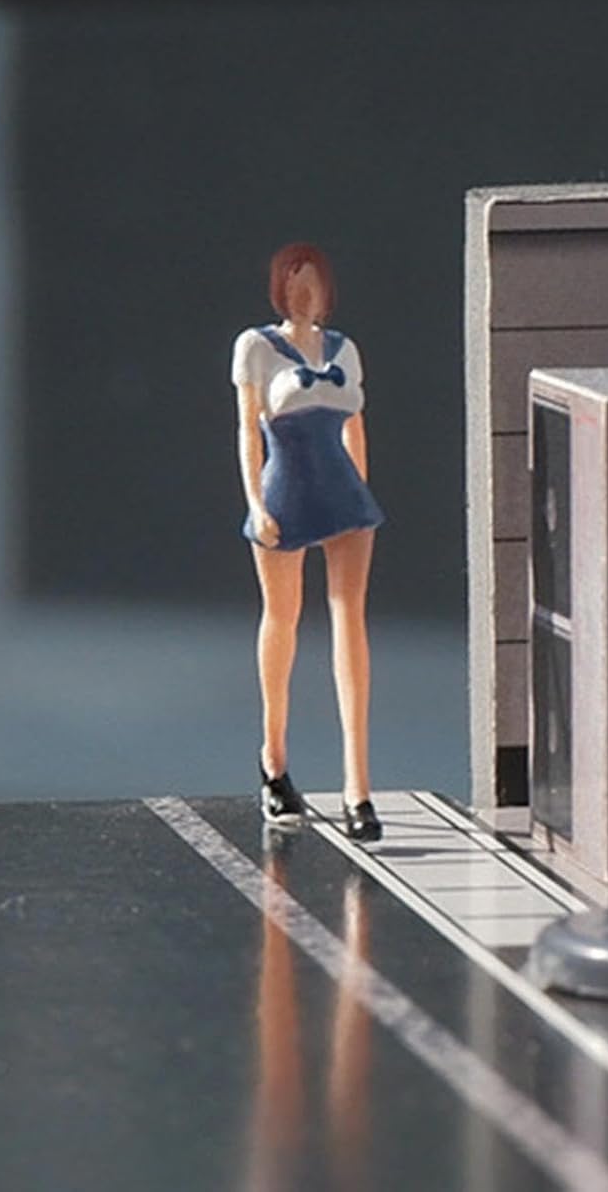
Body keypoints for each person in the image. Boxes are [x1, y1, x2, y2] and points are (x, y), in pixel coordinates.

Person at [232, 243, 385, 842]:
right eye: (295, 283)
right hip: (285, 491)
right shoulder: (257, 347)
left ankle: (357, 786)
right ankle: (274, 761)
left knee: (351, 624)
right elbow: (247, 429)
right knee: (283, 618)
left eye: (314, 283)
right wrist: (255, 501)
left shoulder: (345, 349)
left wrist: (360, 496)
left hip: (342, 494)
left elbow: (356, 428)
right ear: (280, 288)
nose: (305, 293)